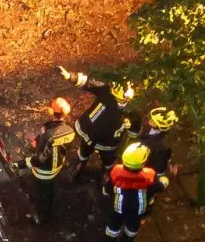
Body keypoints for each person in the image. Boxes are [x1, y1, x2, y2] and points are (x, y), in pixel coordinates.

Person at [58, 65, 134, 178]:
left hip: (108, 140)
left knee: (108, 158)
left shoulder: (131, 111)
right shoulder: (107, 91)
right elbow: (91, 83)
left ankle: (107, 172)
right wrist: (70, 76)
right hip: (90, 131)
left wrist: (128, 138)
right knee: (84, 150)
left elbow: (134, 129)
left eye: (119, 98)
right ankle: (80, 165)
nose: (116, 98)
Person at [10, 97, 77, 225]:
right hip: (57, 167)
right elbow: (66, 148)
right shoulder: (70, 131)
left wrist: (20, 164)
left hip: (43, 173)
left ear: (51, 111)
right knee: (49, 190)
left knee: (41, 194)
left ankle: (41, 217)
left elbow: (40, 160)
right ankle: (49, 207)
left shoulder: (47, 135)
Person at [104, 142, 159, 238]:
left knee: (115, 222)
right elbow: (154, 189)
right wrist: (164, 182)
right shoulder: (149, 175)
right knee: (132, 226)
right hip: (138, 208)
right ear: (142, 163)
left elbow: (109, 186)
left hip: (119, 206)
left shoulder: (116, 171)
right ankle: (127, 238)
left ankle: (110, 238)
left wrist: (106, 191)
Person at [138, 107, 178, 193]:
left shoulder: (162, 147)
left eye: (153, 120)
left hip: (152, 166)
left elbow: (159, 166)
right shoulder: (148, 128)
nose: (149, 120)